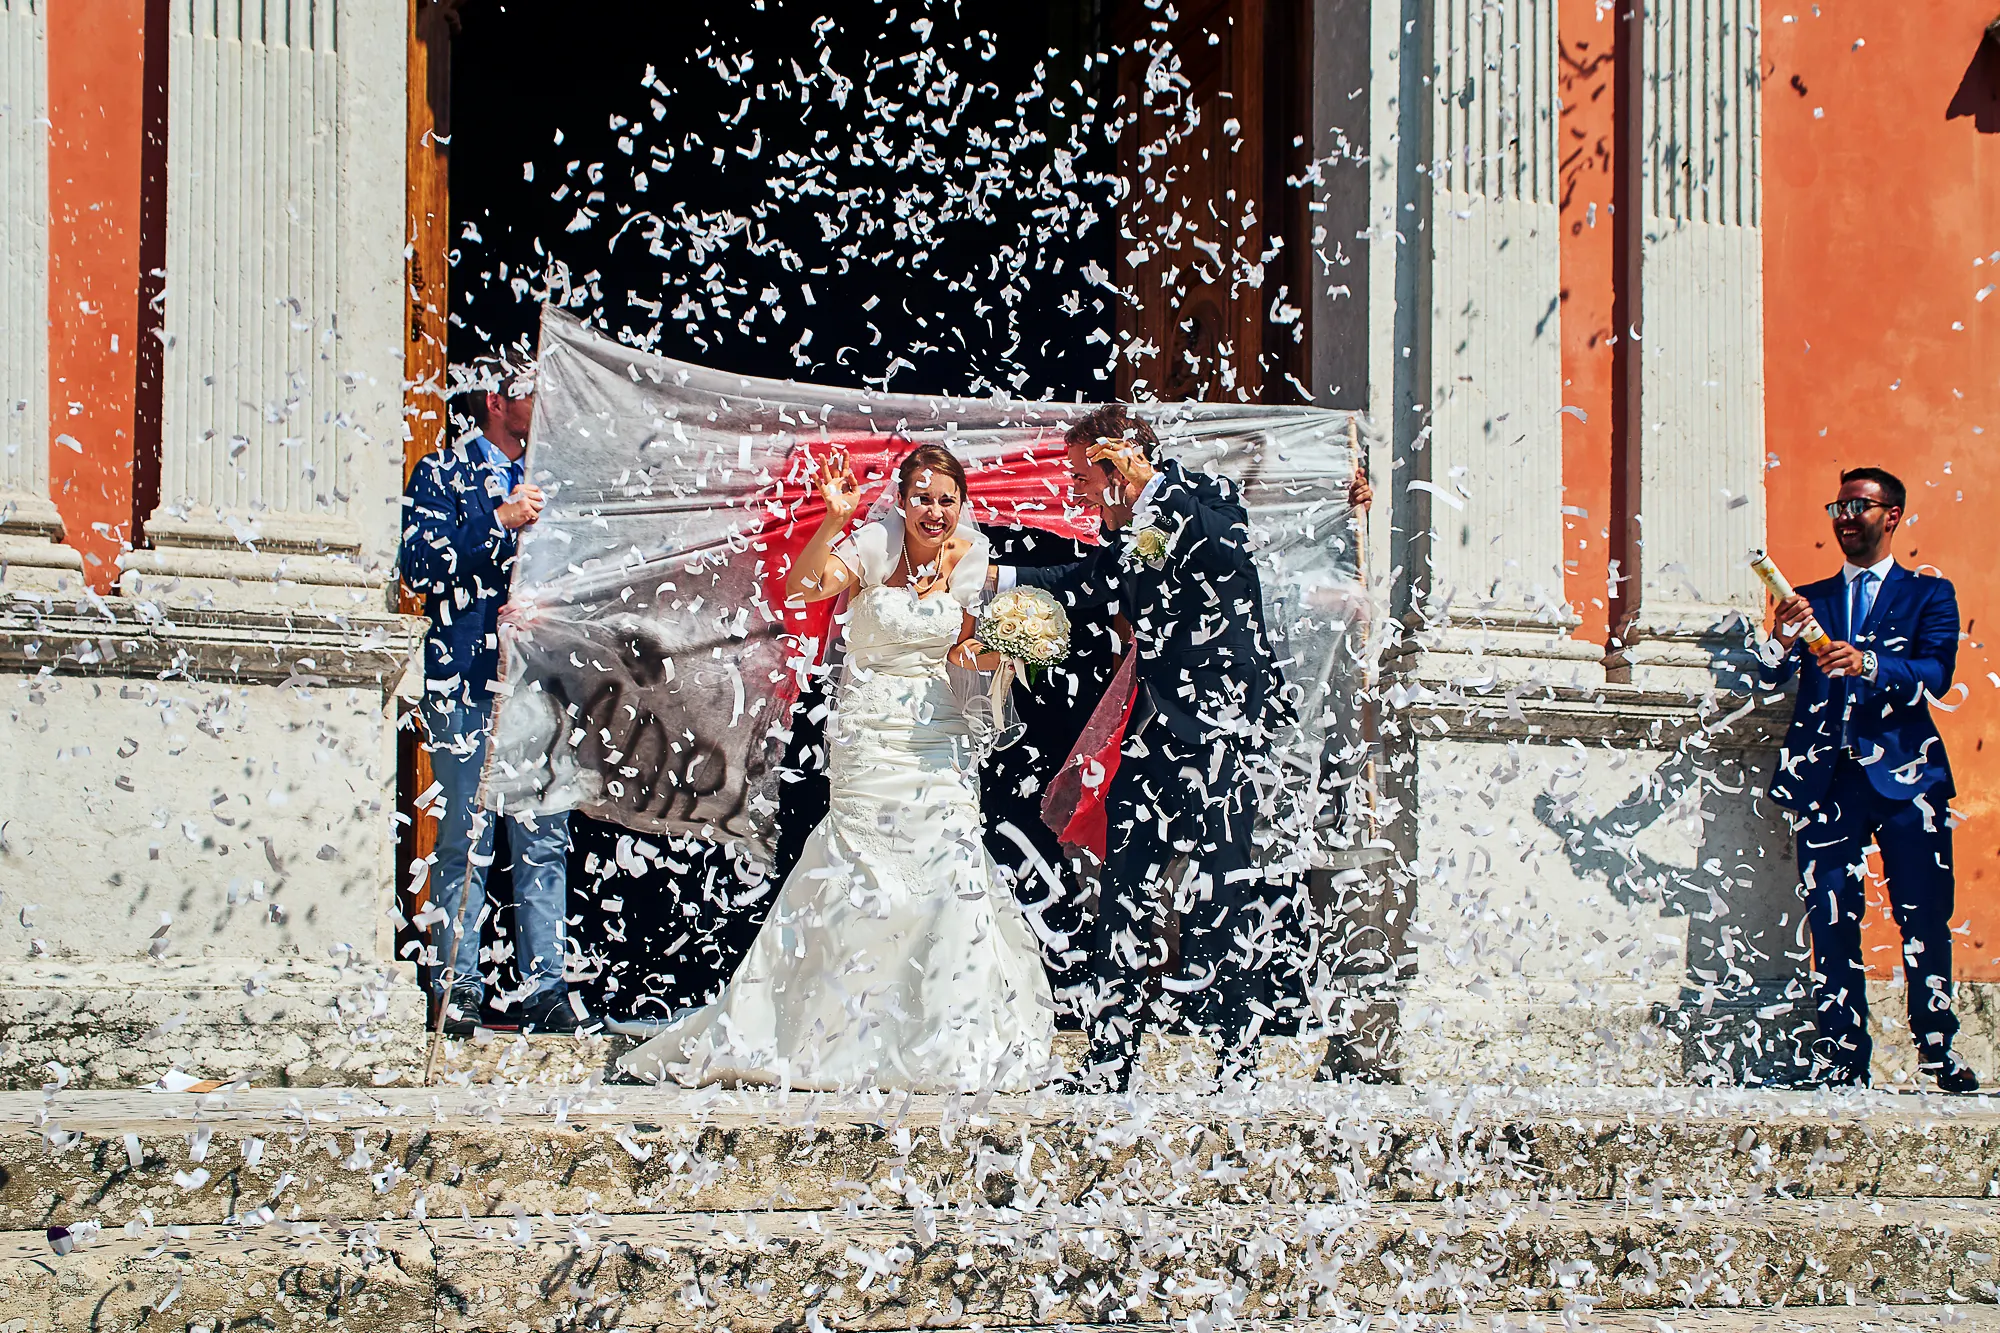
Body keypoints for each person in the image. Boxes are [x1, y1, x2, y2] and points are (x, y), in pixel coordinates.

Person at [616, 443, 1056, 1091]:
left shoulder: (974, 558)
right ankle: (836, 1031)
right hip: (870, 732)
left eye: (947, 499)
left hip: (939, 735)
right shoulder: (875, 542)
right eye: (924, 497)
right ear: (903, 499)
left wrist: (1010, 651)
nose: (935, 511)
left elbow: (966, 657)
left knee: (950, 862)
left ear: (961, 503)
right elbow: (801, 587)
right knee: (867, 870)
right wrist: (833, 519)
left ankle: (945, 1033)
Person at [993, 404, 1367, 1091]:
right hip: (1151, 739)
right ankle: (1109, 1062)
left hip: (1223, 739)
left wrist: (1336, 500)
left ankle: (1237, 1064)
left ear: (1119, 463)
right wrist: (996, 581)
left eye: (1082, 474)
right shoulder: (1133, 531)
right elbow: (1091, 585)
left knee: (1227, 899)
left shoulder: (1205, 501)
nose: (1075, 490)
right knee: (1125, 893)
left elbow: (1233, 544)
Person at [1762, 466, 1977, 1092]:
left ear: (1893, 516)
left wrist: (1871, 662)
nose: (1846, 517)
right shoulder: (1809, 598)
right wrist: (1778, 637)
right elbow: (1771, 680)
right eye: (1839, 506)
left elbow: (1936, 671)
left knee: (1925, 915)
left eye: (1860, 505)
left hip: (1910, 780)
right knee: (1830, 916)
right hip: (1825, 780)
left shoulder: (1929, 595)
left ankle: (1937, 1049)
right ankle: (1842, 1055)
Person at [401, 349, 578, 1037]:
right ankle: (458, 980)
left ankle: (544, 985)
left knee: (543, 838)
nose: (545, 402)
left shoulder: (556, 483)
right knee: (463, 837)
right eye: (532, 390)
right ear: (496, 403)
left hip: (539, 685)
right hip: (467, 681)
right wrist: (496, 522)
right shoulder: (442, 471)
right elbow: (418, 563)